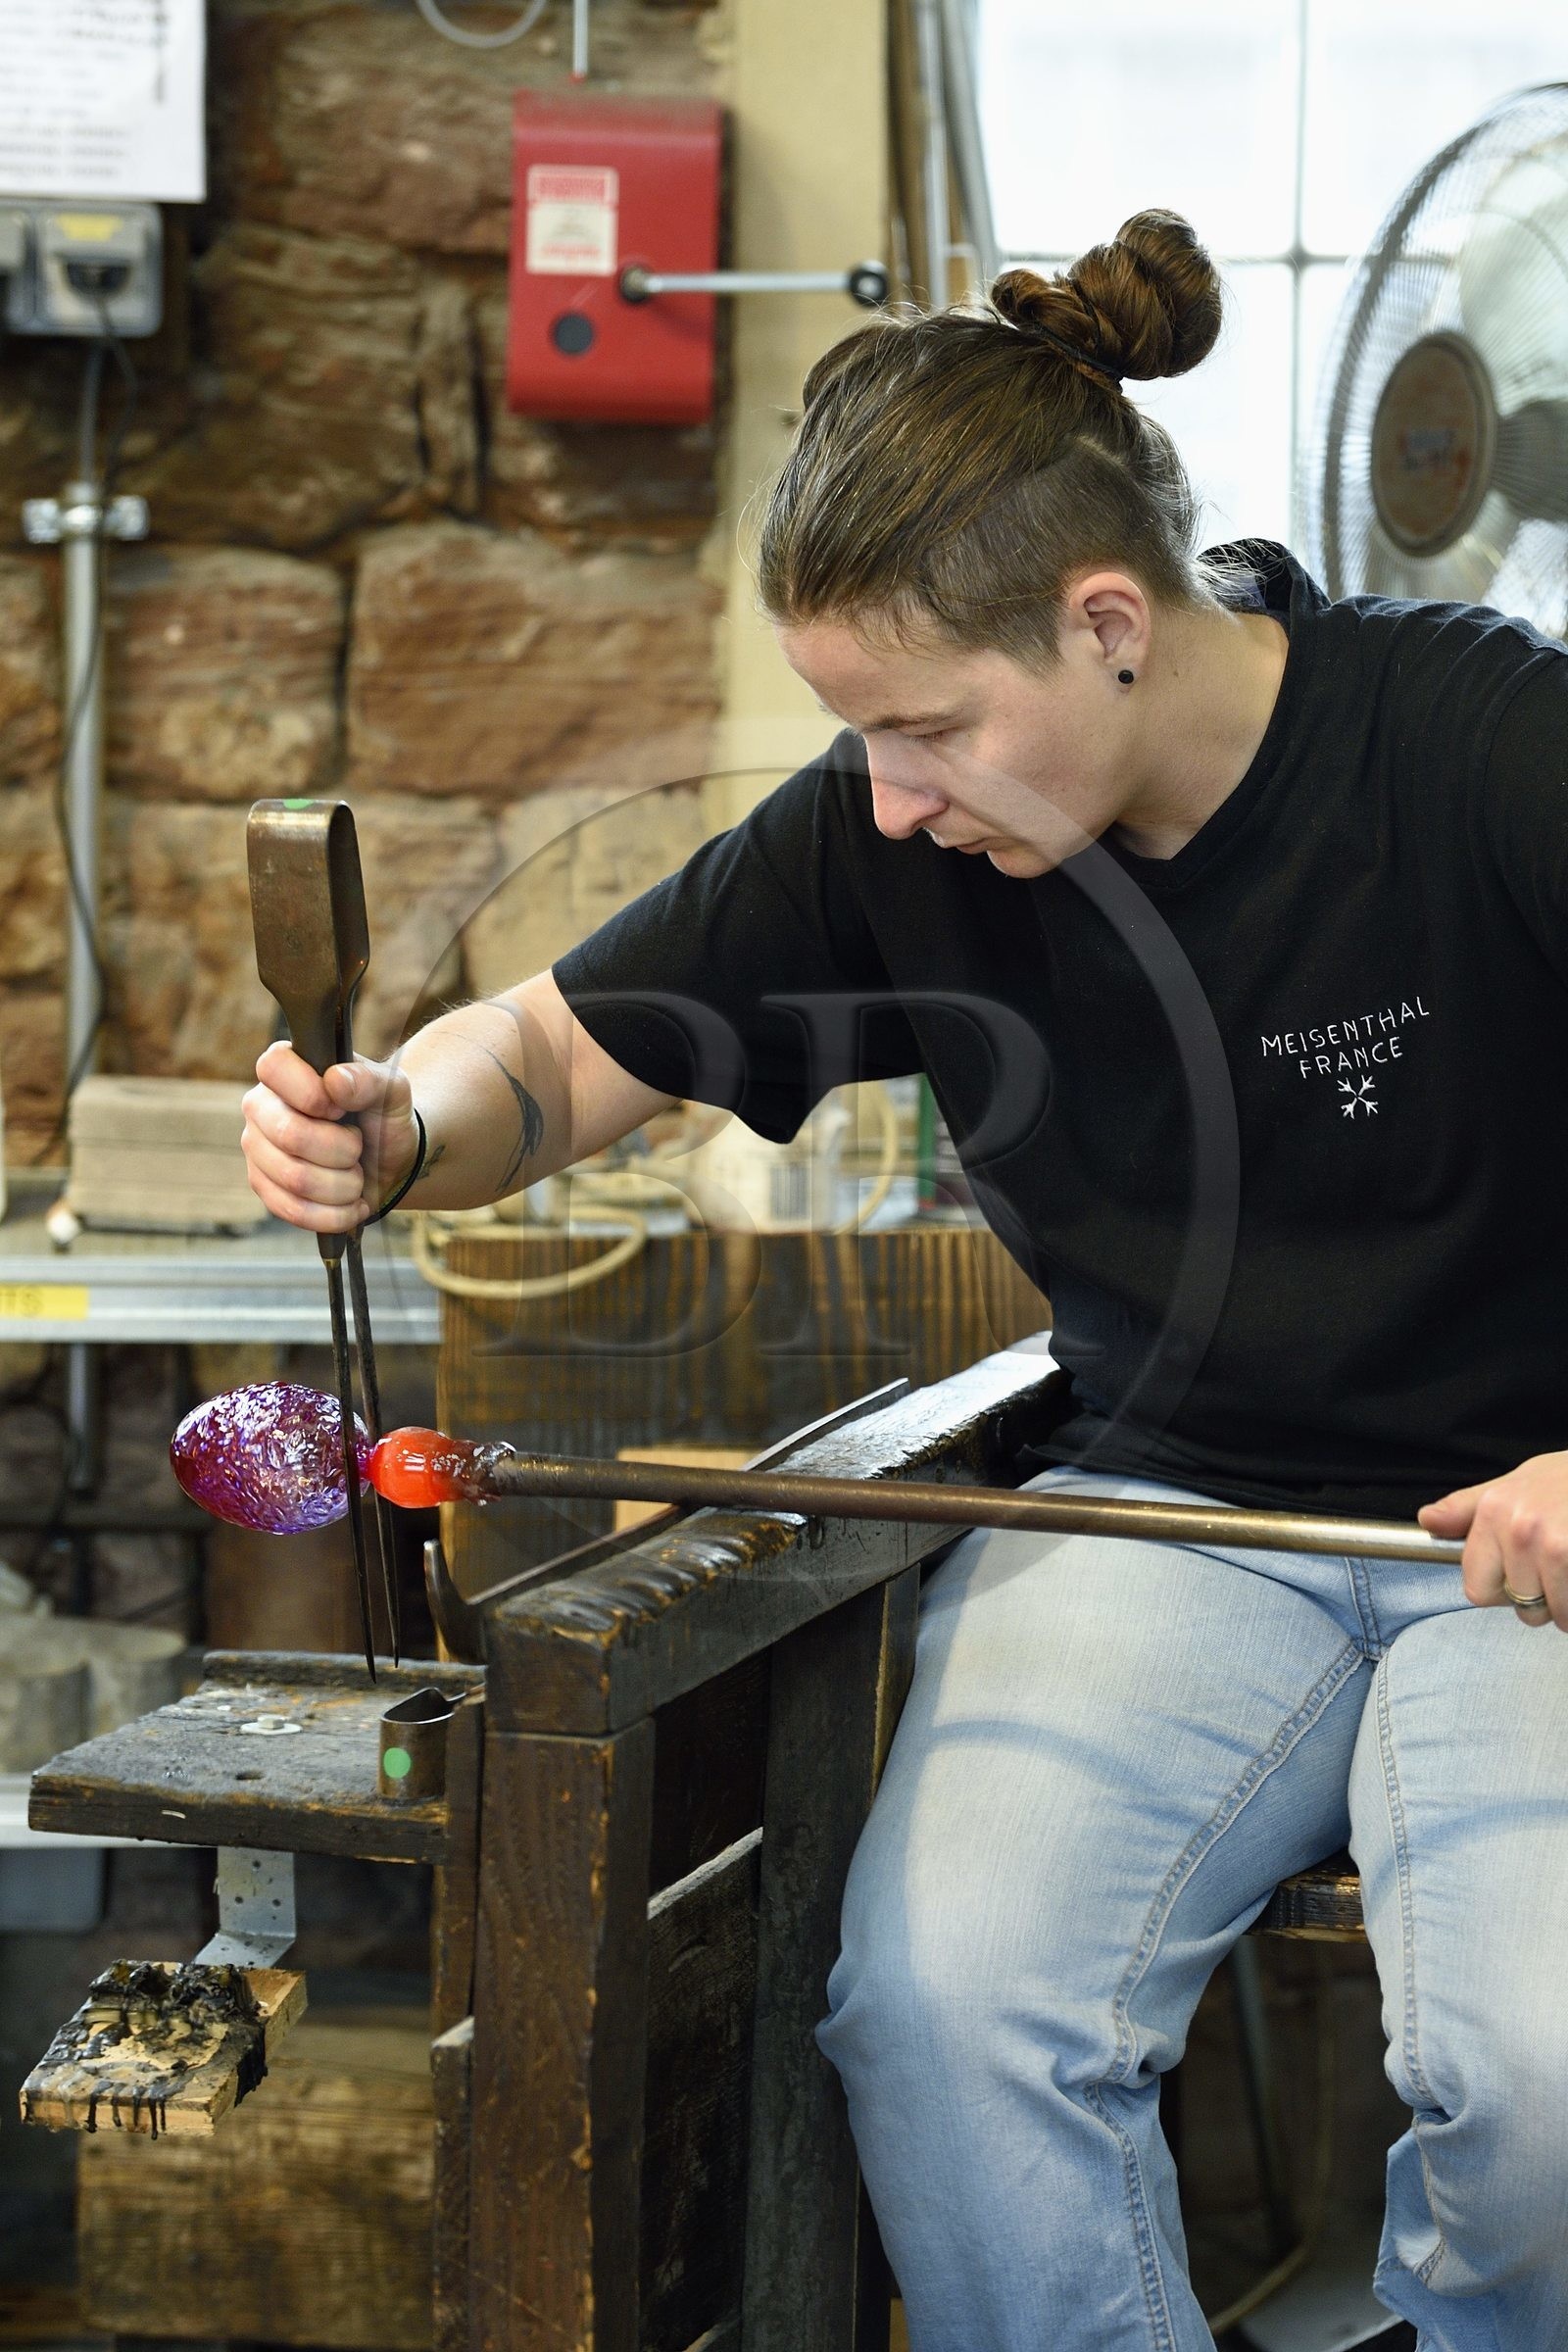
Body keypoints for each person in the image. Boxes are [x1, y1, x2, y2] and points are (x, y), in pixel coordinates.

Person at [242, 209, 1568, 2352]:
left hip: (1528, 1541)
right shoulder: (895, 833)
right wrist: (400, 1116)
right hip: (1171, 1507)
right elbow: (561, 1051)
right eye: (857, 733)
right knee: (942, 2017)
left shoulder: (1485, 752)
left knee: (1543, 2089)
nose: (888, 792)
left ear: (1106, 620)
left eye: (930, 726)